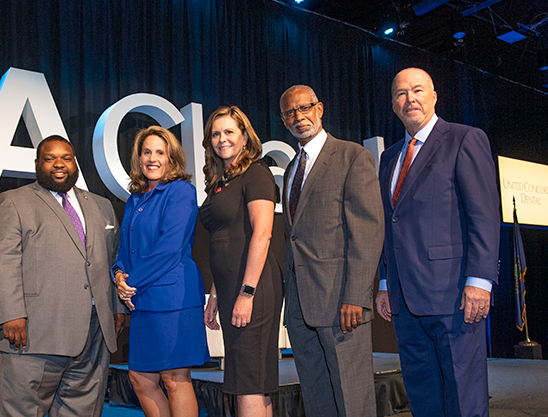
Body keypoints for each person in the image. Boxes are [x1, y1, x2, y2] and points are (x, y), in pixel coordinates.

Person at [375, 68, 500, 417]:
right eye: (401, 93)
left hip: (454, 295)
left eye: (417, 90)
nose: (409, 99)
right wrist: (385, 282)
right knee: (423, 396)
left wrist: (480, 281)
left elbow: (484, 215)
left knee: (464, 397)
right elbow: (390, 224)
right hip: (405, 299)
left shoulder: (464, 139)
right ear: (393, 105)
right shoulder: (389, 157)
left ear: (433, 97)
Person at [0, 135, 125, 417]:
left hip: (93, 333)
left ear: (75, 163)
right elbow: (2, 260)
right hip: (33, 334)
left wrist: (117, 308)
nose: (59, 164)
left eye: (66, 158)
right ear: (37, 163)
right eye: (50, 159)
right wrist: (11, 313)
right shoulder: (13, 201)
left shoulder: (101, 205)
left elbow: (112, 260)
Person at [280, 85, 383, 417]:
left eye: (305, 108)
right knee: (317, 400)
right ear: (284, 120)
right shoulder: (291, 169)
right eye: (290, 112)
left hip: (341, 304)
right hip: (301, 307)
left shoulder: (352, 156)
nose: (299, 117)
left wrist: (356, 296)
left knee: (353, 401)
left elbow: (367, 231)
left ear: (320, 109)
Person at [113, 126, 210, 417]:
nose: (152, 158)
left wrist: (131, 283)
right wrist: (118, 275)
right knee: (140, 379)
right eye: (147, 152)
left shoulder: (180, 191)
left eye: (160, 152)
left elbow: (170, 248)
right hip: (142, 301)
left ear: (171, 158)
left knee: (174, 378)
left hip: (172, 299)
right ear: (138, 158)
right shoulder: (135, 198)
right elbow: (125, 248)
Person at [200, 106, 283, 417]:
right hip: (230, 289)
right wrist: (215, 295)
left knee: (249, 380)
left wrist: (247, 293)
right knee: (250, 378)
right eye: (216, 134)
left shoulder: (256, 173)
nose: (222, 139)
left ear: (245, 137)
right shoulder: (220, 181)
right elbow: (225, 241)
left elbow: (262, 234)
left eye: (229, 132)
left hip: (253, 289)